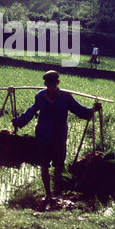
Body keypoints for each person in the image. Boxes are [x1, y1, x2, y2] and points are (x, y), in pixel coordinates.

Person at [11, 70, 101, 201]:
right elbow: (31, 111)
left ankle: (57, 192)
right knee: (44, 165)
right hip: (43, 136)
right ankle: (48, 194)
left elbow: (80, 110)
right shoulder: (40, 96)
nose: (50, 88)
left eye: (53, 85)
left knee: (59, 165)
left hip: (59, 136)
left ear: (58, 83)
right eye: (48, 85)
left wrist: (92, 110)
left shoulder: (66, 97)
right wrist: (18, 121)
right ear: (45, 84)